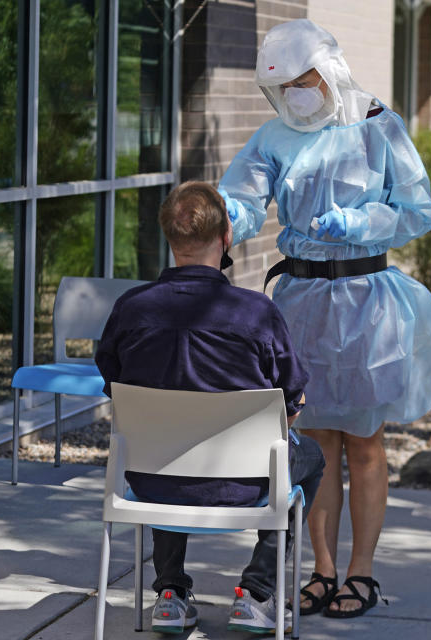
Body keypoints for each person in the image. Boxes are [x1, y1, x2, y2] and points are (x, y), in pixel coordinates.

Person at [218, 19, 431, 618]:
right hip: (302, 305)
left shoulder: (377, 126)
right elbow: (246, 198)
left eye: (307, 82)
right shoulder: (274, 136)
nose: (298, 97)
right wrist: (230, 209)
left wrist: (362, 224)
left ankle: (361, 572)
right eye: (287, 89)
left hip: (366, 304)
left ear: (331, 73)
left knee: (363, 444)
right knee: (313, 446)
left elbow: (418, 210)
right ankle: (322, 570)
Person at [95, 181, 325, 635]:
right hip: (243, 485)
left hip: (153, 477)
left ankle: (170, 594)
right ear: (226, 240)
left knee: (166, 450)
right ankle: (257, 592)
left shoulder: (130, 309)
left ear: (170, 239)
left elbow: (113, 384)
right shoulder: (257, 313)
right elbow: (291, 403)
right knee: (311, 458)